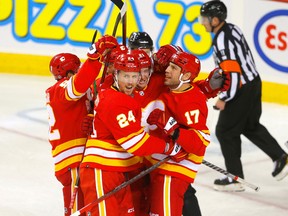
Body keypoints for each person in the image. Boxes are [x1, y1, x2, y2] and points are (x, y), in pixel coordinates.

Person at [79, 49, 186, 216]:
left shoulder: (126, 96)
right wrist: (169, 148)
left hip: (119, 172)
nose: (130, 82)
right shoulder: (115, 100)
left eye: (135, 76)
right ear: (116, 75)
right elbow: (135, 143)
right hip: (102, 171)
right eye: (125, 76)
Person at [199, 0, 288, 192]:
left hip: (240, 90)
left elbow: (233, 74)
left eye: (204, 19)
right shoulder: (232, 29)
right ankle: (280, 156)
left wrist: (224, 98)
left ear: (215, 20)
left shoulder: (222, 41)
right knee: (249, 125)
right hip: (254, 83)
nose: (202, 22)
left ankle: (235, 178)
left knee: (225, 131)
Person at [146, 51, 210, 216]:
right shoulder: (171, 90)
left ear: (186, 75)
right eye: (169, 66)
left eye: (174, 68)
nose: (167, 70)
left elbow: (199, 142)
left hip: (174, 171)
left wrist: (172, 127)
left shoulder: (192, 100)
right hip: (160, 166)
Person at [46, 53, 93, 216]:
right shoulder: (63, 87)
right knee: (76, 209)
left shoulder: (59, 89)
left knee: (83, 206)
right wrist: (95, 59)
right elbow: (79, 85)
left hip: (70, 156)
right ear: (70, 71)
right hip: (71, 157)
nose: (80, 71)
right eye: (78, 68)